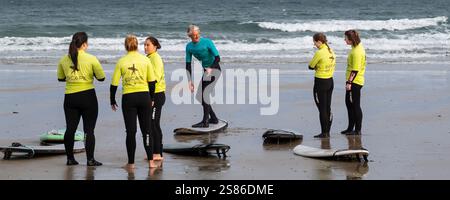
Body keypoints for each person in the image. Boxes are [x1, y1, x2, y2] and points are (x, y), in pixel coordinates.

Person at [57, 32, 105, 166]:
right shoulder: (91, 58)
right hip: (87, 96)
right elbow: (101, 78)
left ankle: (70, 159)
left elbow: (61, 78)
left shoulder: (63, 59)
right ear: (84, 44)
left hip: (70, 97)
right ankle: (90, 160)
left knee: (70, 129)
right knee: (89, 130)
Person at [110, 34, 157, 169]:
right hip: (144, 97)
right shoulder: (145, 60)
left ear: (126, 46)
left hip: (129, 98)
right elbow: (152, 82)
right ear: (137, 45)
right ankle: (151, 162)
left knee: (130, 132)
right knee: (146, 131)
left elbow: (114, 84)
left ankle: (131, 164)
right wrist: (152, 98)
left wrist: (112, 100)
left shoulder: (121, 61)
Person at [185, 24, 221, 128]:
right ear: (189, 36)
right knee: (199, 96)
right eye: (194, 35)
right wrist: (189, 81)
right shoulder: (189, 47)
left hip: (215, 69)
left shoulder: (207, 42)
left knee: (204, 94)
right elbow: (188, 65)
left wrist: (211, 68)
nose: (196, 37)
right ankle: (213, 118)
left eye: (198, 34)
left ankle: (205, 122)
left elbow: (218, 58)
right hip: (206, 71)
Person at [308, 33, 336, 138]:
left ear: (319, 41)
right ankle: (327, 131)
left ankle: (324, 133)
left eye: (314, 42)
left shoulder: (319, 53)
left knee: (322, 108)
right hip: (330, 81)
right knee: (327, 107)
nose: (314, 44)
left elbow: (310, 66)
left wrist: (317, 67)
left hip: (320, 83)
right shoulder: (331, 51)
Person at [144, 36, 166, 161]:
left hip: (157, 95)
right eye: (145, 45)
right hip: (152, 94)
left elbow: (155, 77)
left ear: (155, 46)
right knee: (151, 124)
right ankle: (156, 151)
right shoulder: (149, 58)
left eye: (148, 45)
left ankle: (158, 152)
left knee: (154, 124)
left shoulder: (155, 58)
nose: (145, 47)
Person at [341, 30, 366, 135]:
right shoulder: (357, 47)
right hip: (355, 80)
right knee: (349, 104)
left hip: (355, 82)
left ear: (351, 39)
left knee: (355, 105)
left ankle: (358, 130)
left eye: (346, 38)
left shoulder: (356, 52)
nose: (344, 40)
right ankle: (350, 128)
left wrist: (349, 83)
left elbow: (355, 69)